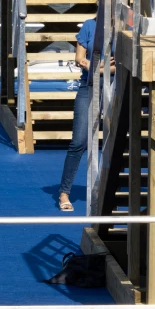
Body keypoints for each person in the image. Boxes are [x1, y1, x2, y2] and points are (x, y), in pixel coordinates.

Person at [57, 17, 98, 212]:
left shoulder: (128, 22)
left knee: (117, 141)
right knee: (78, 141)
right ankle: (64, 192)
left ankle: (109, 189)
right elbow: (79, 58)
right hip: (88, 85)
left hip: (117, 87)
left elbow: (126, 60)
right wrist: (96, 66)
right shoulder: (90, 25)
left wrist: (98, 66)